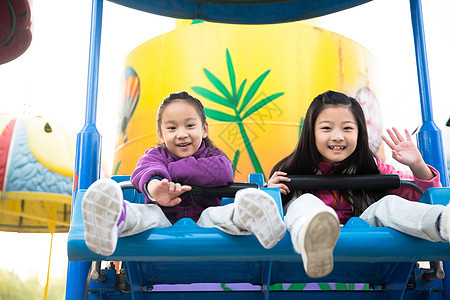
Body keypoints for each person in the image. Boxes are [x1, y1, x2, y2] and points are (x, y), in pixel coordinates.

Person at [263, 90, 448, 278]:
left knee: (387, 205)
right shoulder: (290, 173)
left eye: (347, 128)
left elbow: (422, 197)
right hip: (305, 251)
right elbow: (270, 220)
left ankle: (442, 222)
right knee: (304, 202)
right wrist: (272, 195)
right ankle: (316, 234)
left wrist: (417, 165)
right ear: (311, 132)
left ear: (360, 133)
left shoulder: (373, 170)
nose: (337, 136)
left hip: (364, 239)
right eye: (326, 128)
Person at [81, 91, 285, 256]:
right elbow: (144, 170)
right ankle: (111, 216)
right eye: (172, 128)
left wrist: (170, 172)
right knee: (148, 215)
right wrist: (155, 188)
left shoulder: (213, 156)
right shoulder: (156, 155)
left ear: (204, 129)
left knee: (216, 214)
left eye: (190, 125)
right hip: (162, 227)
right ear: (161, 135)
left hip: (205, 228)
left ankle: (250, 213)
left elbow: (222, 172)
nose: (181, 134)